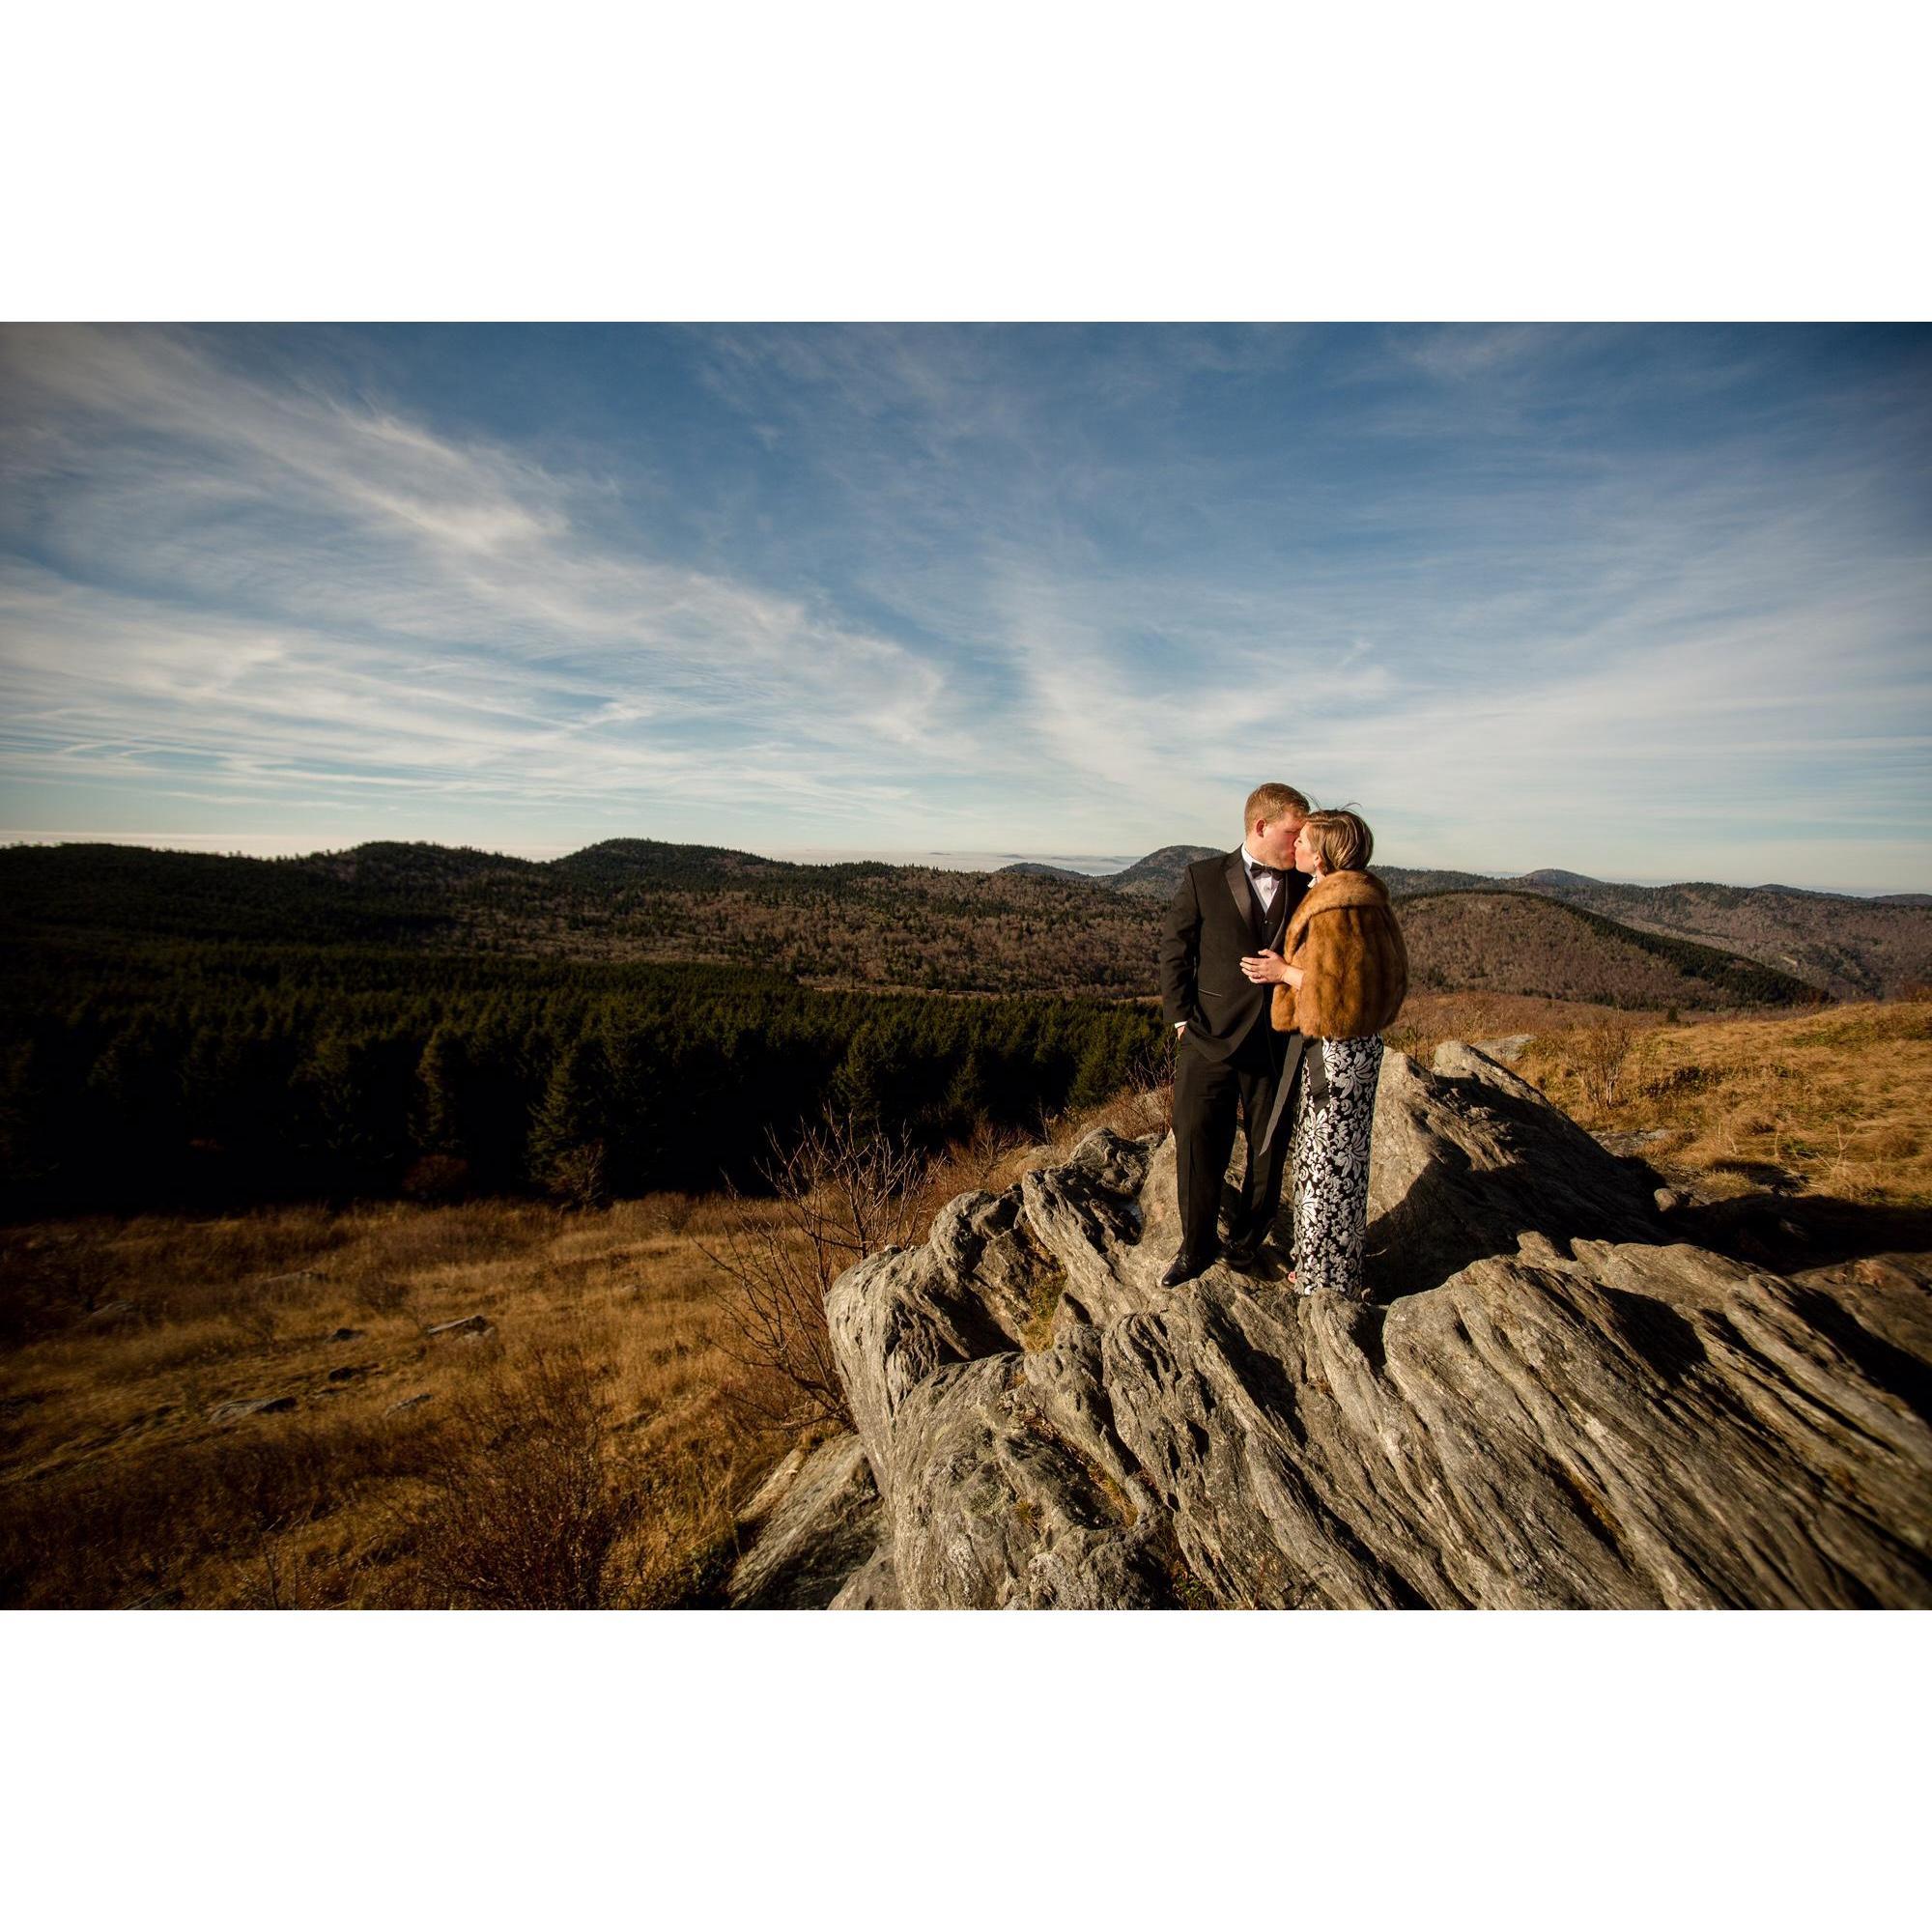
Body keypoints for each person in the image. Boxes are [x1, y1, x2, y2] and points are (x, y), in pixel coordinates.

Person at [1240, 808, 1407, 1301]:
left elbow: (1342, 988)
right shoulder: (1359, 897)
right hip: (1349, 1048)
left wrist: (1284, 975)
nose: (1295, 847)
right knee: (1336, 1160)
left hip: (1336, 1051)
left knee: (1328, 1163)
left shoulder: (1337, 906)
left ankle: (1325, 1281)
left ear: (1325, 852)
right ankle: (1327, 1267)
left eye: (1305, 841)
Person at [1156, 782, 1312, 1287]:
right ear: (1261, 827)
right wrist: (1182, 1020)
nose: (1300, 843)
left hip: (1279, 1042)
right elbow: (1175, 951)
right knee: (1198, 1142)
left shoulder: (1309, 886)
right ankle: (1195, 1247)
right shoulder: (1202, 877)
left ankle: (1247, 1242)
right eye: (1293, 833)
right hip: (1208, 1038)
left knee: (1269, 1149)